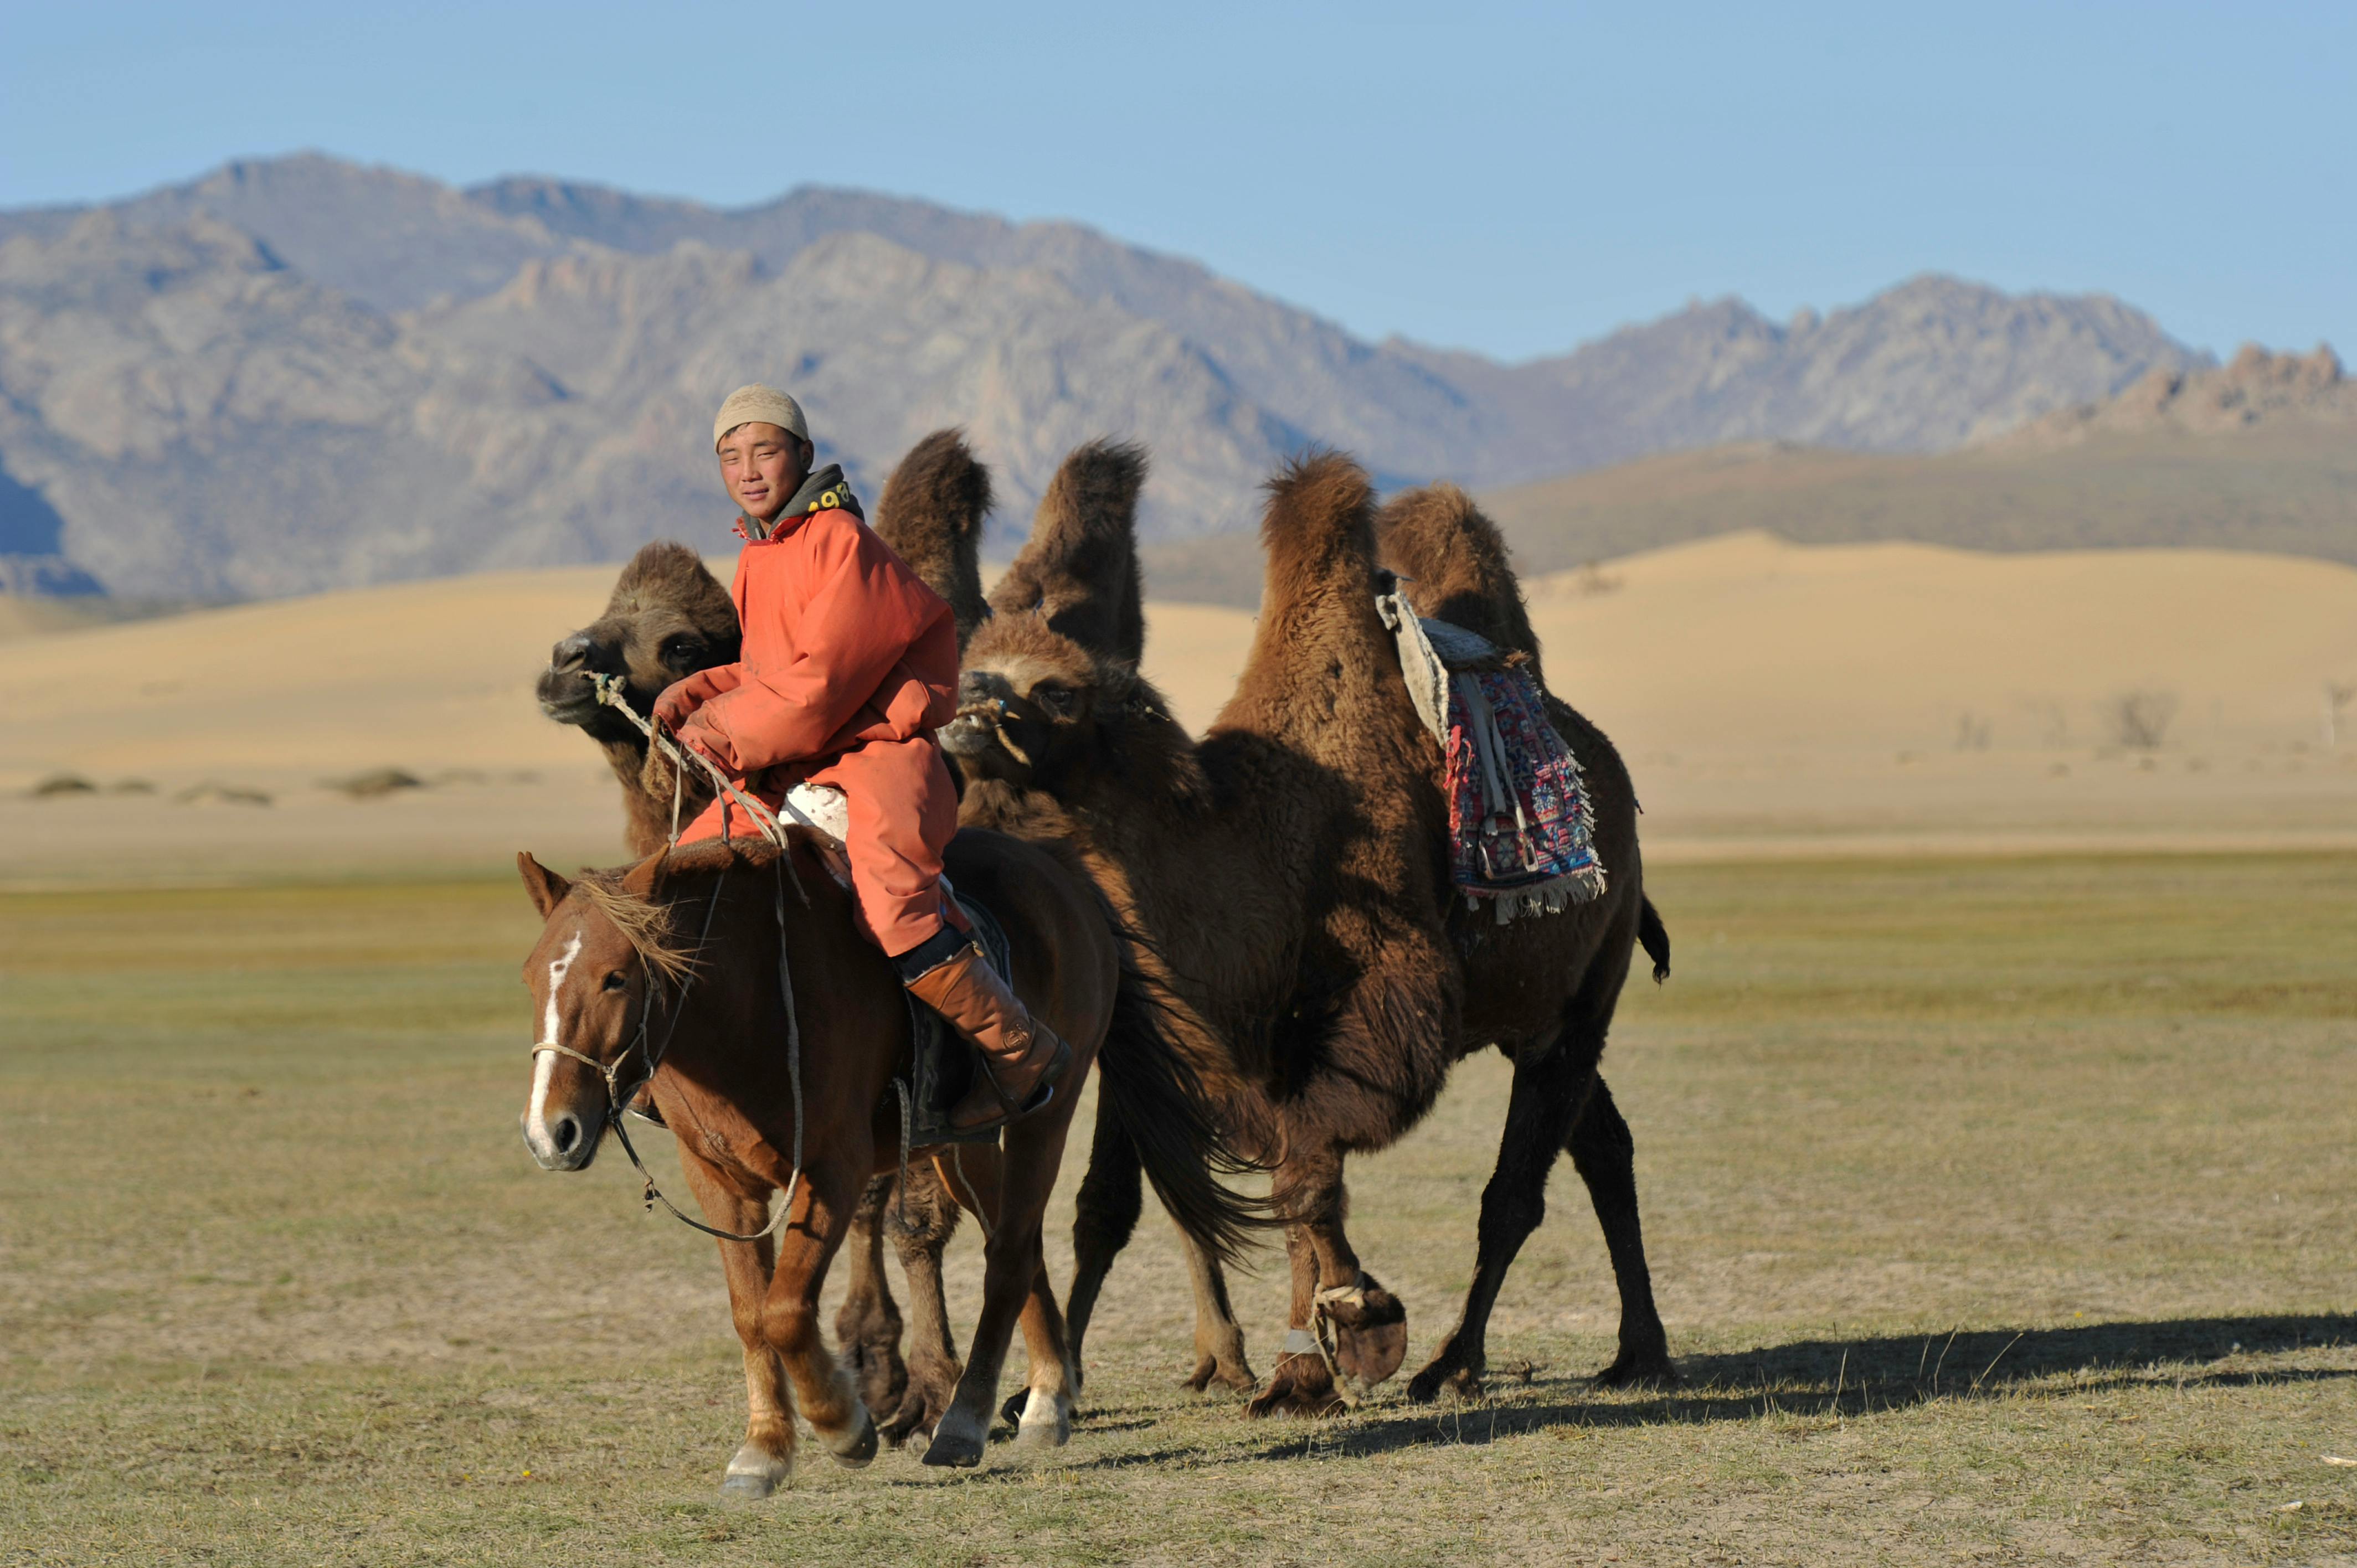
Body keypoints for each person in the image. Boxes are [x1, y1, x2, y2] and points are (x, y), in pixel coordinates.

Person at [653, 385, 1066, 1134]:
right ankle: (662, 1061)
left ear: (803, 456)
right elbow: (773, 673)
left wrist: (719, 731)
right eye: (731, 456)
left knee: (894, 912)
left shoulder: (842, 544)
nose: (748, 470)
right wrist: (696, 693)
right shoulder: (760, 553)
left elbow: (819, 690)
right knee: (680, 880)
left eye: (766, 451)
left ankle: (1019, 1050)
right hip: (797, 761)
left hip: (876, 756)